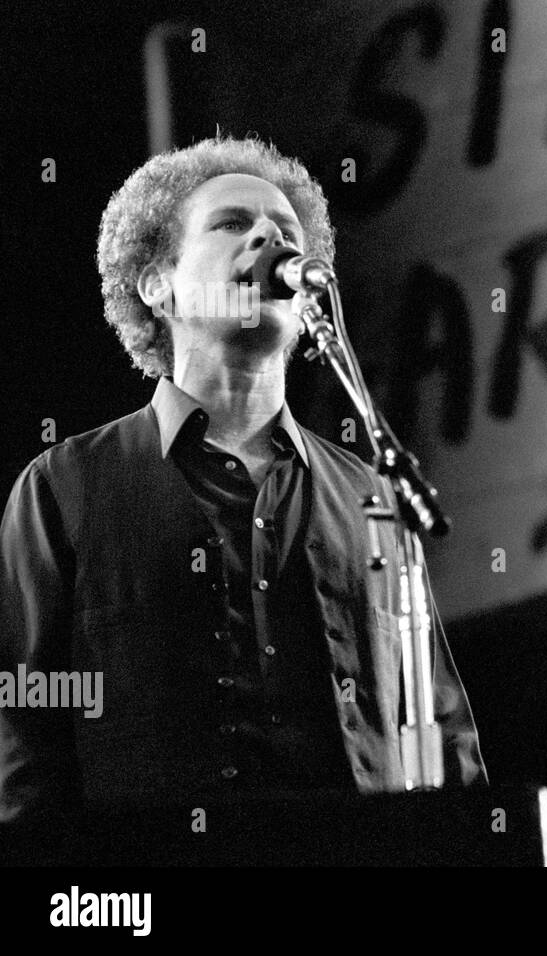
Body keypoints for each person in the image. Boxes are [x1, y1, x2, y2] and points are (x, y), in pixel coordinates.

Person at [0, 136, 484, 845]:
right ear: (155, 284)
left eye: (287, 233)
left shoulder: (371, 494)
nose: (269, 237)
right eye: (232, 223)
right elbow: (22, 738)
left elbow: (443, 734)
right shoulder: (64, 487)